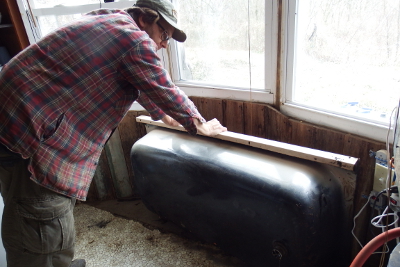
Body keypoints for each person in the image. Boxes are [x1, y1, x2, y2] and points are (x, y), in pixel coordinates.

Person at [0, 0, 227, 266]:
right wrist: (198, 123)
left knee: (26, 204)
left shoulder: (106, 20)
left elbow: (135, 76)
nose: (165, 43)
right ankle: (48, 259)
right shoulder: (133, 40)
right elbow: (160, 84)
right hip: (34, 140)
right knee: (42, 218)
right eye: (164, 33)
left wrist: (163, 114)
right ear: (145, 19)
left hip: (12, 123)